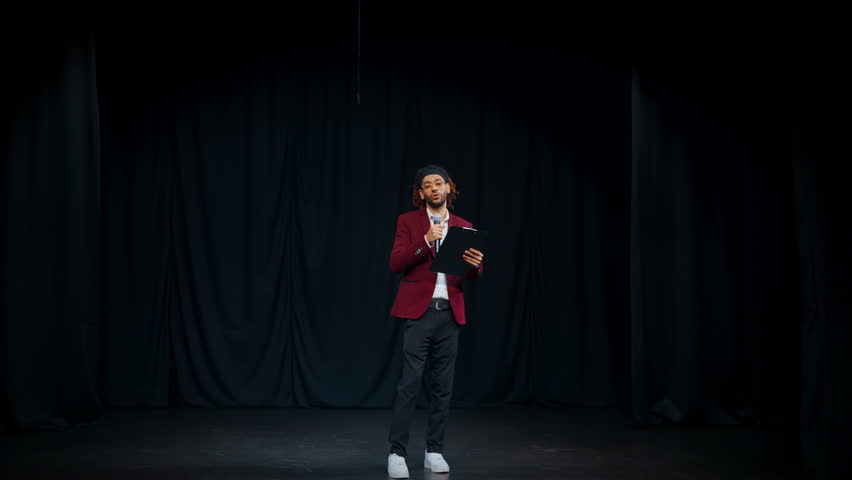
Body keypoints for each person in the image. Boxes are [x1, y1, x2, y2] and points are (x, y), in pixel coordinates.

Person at [386, 164, 485, 478]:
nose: (434, 189)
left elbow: (472, 274)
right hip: (419, 313)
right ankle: (397, 453)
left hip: (449, 314)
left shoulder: (463, 225)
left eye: (438, 183)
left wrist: (477, 265)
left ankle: (434, 451)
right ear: (420, 193)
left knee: (443, 388)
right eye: (427, 185)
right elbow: (396, 263)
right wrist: (426, 240)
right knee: (409, 386)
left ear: (448, 187)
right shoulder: (408, 221)